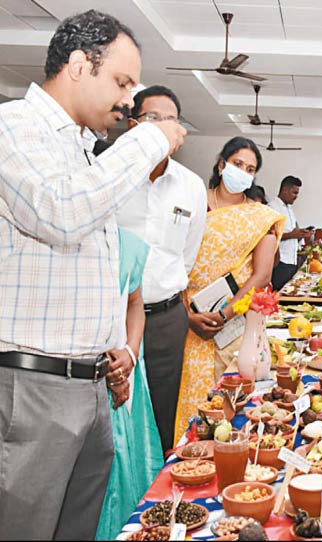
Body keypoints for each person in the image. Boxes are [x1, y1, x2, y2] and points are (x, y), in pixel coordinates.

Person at [0, 10, 185, 540]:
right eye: (122, 82)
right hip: (33, 387)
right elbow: (61, 215)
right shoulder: (15, 127)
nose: (128, 99)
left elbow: (92, 269)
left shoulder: (82, 150)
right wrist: (152, 138)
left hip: (90, 384)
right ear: (80, 66)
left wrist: (116, 347)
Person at [174, 137, 284, 446]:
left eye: (250, 169)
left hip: (234, 325)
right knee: (193, 407)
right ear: (222, 165)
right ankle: (191, 460)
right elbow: (170, 259)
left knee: (233, 405)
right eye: (238, 165)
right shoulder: (194, 203)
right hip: (187, 320)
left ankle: (231, 460)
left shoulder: (258, 215)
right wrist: (187, 315)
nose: (243, 173)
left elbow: (261, 274)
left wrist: (225, 312)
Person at [117, 84, 207, 454]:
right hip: (114, 318)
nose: (163, 128)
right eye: (153, 119)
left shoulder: (191, 186)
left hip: (168, 318)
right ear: (133, 125)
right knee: (117, 415)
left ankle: (159, 496)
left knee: (164, 408)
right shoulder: (113, 178)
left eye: (170, 120)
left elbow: (187, 255)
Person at [96, 228, 164, 540]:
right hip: (86, 375)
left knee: (131, 460)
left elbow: (134, 302)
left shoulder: (128, 242)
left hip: (127, 367)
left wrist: (131, 352)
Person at [270, 175, 312, 290]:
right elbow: (270, 236)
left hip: (291, 260)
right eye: (294, 193)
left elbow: (292, 233)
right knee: (279, 295)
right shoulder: (273, 208)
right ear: (284, 190)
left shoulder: (289, 209)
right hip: (280, 262)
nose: (296, 197)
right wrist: (292, 235)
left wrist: (301, 234)